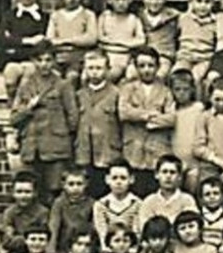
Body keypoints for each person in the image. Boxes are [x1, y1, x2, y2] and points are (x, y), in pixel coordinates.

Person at [10, 41, 79, 197]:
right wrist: (28, 108)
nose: (44, 64)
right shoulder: (26, 85)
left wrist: (63, 137)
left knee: (54, 191)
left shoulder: (62, 85)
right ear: (33, 61)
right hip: (32, 148)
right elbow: (14, 119)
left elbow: (73, 118)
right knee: (32, 191)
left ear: (54, 61)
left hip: (55, 148)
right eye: (40, 60)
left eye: (48, 60)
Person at [118, 47, 177, 197]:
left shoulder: (165, 91)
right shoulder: (127, 88)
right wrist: (146, 115)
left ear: (157, 67)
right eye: (142, 66)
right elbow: (123, 112)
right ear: (136, 67)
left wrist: (152, 122)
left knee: (153, 191)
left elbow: (171, 118)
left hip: (156, 150)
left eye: (150, 66)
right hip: (134, 149)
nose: (146, 70)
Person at [73, 50, 122, 196]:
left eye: (99, 68)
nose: (94, 72)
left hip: (108, 152)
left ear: (107, 70)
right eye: (91, 68)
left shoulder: (116, 93)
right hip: (84, 153)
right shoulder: (79, 95)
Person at [0, 0, 48, 97]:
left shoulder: (43, 18)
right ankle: (13, 104)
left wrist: (14, 42)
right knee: (10, 77)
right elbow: (1, 40)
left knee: (28, 76)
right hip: (11, 61)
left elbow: (42, 43)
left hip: (33, 61)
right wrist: (28, 41)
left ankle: (19, 109)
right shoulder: (9, 16)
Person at [192, 78, 223, 190]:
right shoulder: (204, 117)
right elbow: (198, 148)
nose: (221, 103)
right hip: (210, 167)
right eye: (217, 99)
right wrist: (219, 162)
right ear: (210, 98)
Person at [46, 0, 98, 81]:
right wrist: (77, 40)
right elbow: (50, 39)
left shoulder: (88, 15)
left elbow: (91, 38)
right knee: (53, 76)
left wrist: (65, 41)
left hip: (79, 59)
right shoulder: (55, 15)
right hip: (58, 58)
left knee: (72, 77)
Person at [97, 0, 147, 84]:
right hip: (106, 54)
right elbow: (100, 37)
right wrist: (125, 42)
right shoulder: (105, 17)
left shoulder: (133, 19)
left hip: (125, 56)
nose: (120, 3)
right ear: (109, 0)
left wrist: (118, 42)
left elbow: (141, 40)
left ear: (130, 0)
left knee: (124, 74)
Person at [173, 0, 219, 90]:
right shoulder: (183, 19)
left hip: (204, 59)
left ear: (213, 3)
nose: (203, 6)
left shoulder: (216, 22)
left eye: (207, 2)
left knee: (196, 77)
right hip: (185, 57)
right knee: (176, 75)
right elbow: (175, 37)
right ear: (191, 2)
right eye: (199, 1)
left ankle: (199, 104)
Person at [139, 155, 197, 232]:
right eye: (164, 172)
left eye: (172, 172)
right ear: (157, 175)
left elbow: (193, 227)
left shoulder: (187, 200)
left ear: (179, 176)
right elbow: (144, 229)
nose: (168, 176)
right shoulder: (149, 202)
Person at [47, 167, 95, 253]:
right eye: (71, 184)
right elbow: (54, 225)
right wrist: (51, 250)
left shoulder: (91, 203)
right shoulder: (59, 203)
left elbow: (94, 226)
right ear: (64, 185)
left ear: (86, 184)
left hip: (84, 244)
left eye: (79, 184)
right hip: (64, 245)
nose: (75, 188)